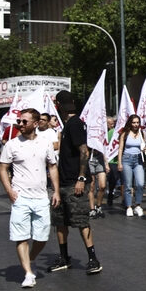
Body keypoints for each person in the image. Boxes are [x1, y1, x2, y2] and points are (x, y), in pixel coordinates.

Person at [0, 108, 60, 288]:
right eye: (19, 121)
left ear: (35, 123)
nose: (20, 124)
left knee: (42, 236)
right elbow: (3, 168)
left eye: (24, 122)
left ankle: (31, 258)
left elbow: (52, 167)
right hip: (20, 197)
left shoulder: (45, 143)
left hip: (41, 196)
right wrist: (9, 190)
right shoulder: (12, 145)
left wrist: (55, 191)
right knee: (21, 236)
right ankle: (28, 273)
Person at [48, 91, 102, 275]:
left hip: (74, 182)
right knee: (60, 221)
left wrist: (81, 178)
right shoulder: (68, 125)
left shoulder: (75, 124)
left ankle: (93, 259)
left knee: (80, 221)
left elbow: (84, 151)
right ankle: (64, 257)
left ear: (59, 106)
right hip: (61, 183)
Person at [116, 115, 146, 216]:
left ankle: (137, 205)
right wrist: (119, 162)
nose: (136, 124)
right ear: (130, 123)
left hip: (138, 160)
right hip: (127, 159)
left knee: (140, 183)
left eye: (137, 122)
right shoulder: (125, 134)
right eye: (134, 122)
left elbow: (144, 146)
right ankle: (129, 206)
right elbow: (120, 149)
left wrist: (144, 149)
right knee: (128, 185)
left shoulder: (141, 133)